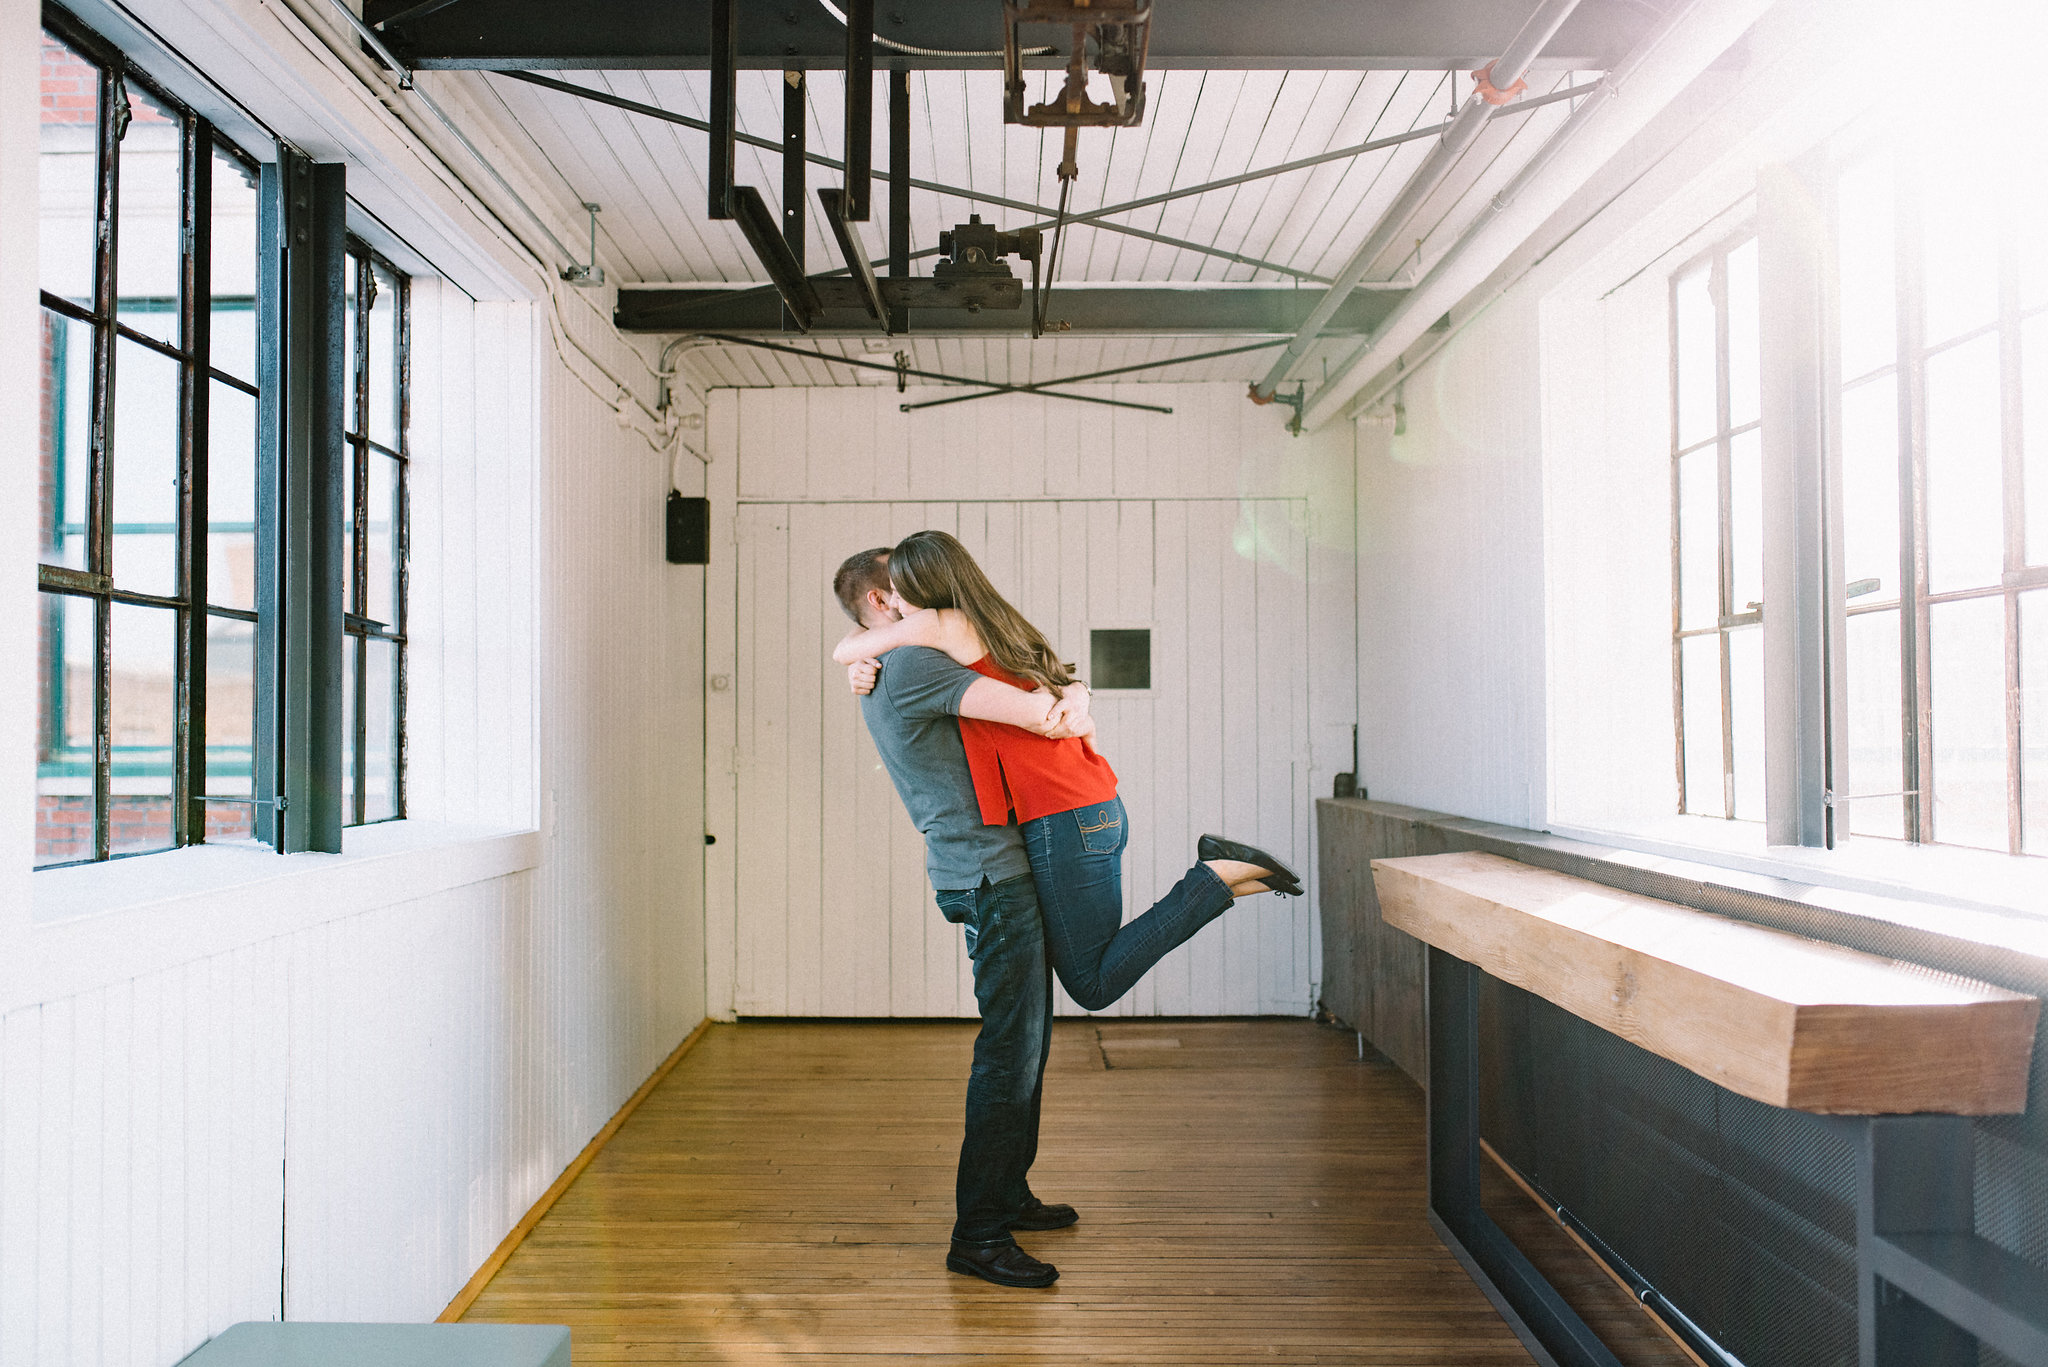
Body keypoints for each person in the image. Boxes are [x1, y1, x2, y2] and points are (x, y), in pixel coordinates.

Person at [837, 529, 1299, 1017]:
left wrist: (858, 659)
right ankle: (1235, 877)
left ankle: (1217, 874)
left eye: (902, 589)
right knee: (1087, 970)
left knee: (1090, 984)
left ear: (925, 587)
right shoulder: (997, 621)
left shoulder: (939, 624)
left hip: (1063, 811)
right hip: (1086, 801)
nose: (897, 602)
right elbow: (1063, 686)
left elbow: (847, 645)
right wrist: (1076, 697)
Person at [831, 545, 1095, 1290]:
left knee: (1027, 1042)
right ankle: (978, 1233)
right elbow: (1040, 717)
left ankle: (1007, 1193)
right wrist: (1074, 703)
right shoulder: (911, 665)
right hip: (989, 875)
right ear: (885, 600)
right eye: (908, 585)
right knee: (1009, 1052)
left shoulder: (885, 663)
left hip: (983, 869)